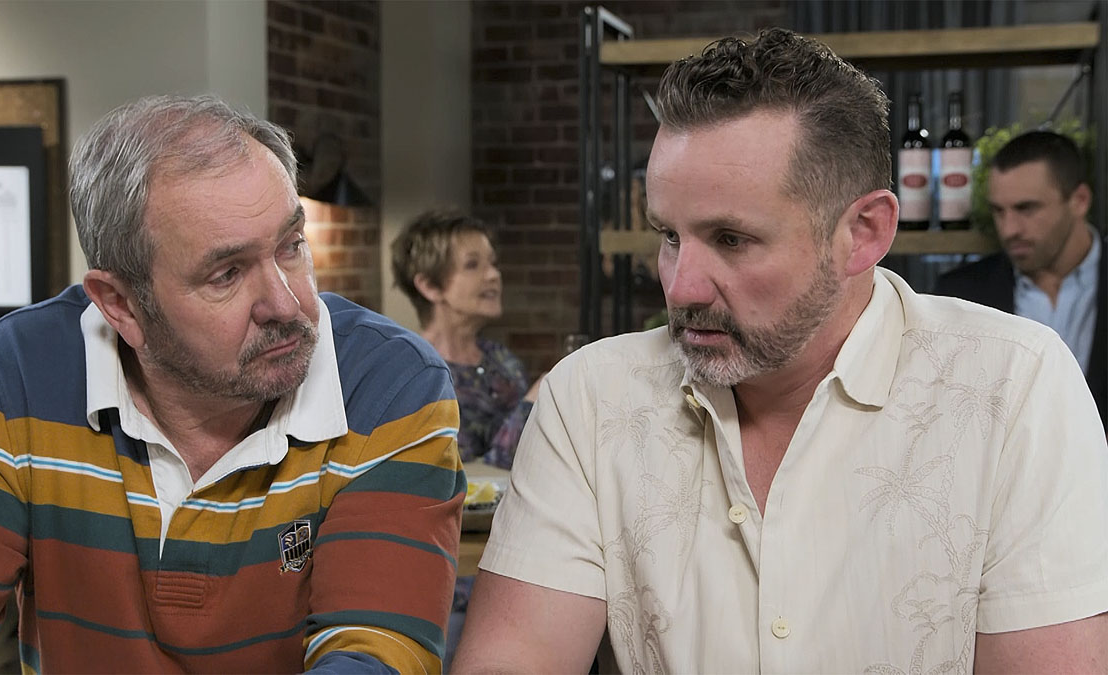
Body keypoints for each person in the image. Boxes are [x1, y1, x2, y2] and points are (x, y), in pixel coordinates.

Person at [452, 28, 1108, 674]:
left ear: (863, 232)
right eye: (669, 236)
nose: (679, 287)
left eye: (731, 239)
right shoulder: (590, 399)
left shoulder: (1012, 388)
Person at [0, 94, 463, 674]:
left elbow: (376, 654)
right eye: (227, 274)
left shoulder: (391, 385)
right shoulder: (20, 372)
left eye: (291, 246)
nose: (287, 303)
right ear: (121, 305)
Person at [390, 209, 542, 669]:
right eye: (473, 265)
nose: (493, 275)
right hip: (450, 584)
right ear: (429, 285)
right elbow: (463, 482)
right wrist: (533, 405)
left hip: (519, 567)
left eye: (492, 263)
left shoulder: (502, 362)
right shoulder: (410, 371)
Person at [934, 130, 1105, 429]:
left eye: (1027, 208)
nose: (1009, 229)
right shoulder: (960, 295)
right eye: (999, 211)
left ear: (1079, 200)